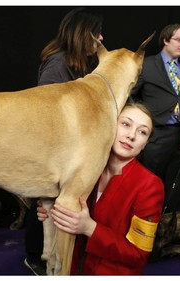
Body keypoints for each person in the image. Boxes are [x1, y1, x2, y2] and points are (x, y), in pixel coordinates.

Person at [37, 101, 165, 275]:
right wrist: (54, 212)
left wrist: (89, 227)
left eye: (142, 132)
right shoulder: (86, 168)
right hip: (72, 270)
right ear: (110, 125)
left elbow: (139, 255)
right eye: (126, 124)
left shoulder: (150, 185)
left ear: (145, 143)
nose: (131, 135)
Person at [24, 7, 103, 275]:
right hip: (51, 152)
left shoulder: (80, 63)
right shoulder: (58, 64)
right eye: (97, 34)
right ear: (84, 35)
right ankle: (35, 258)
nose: (101, 38)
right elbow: (42, 111)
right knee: (42, 206)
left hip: (65, 152)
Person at [131, 24, 180, 213]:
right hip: (155, 136)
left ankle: (172, 232)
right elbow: (130, 96)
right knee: (148, 183)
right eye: (179, 39)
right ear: (165, 40)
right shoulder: (146, 65)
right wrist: (139, 125)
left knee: (177, 189)